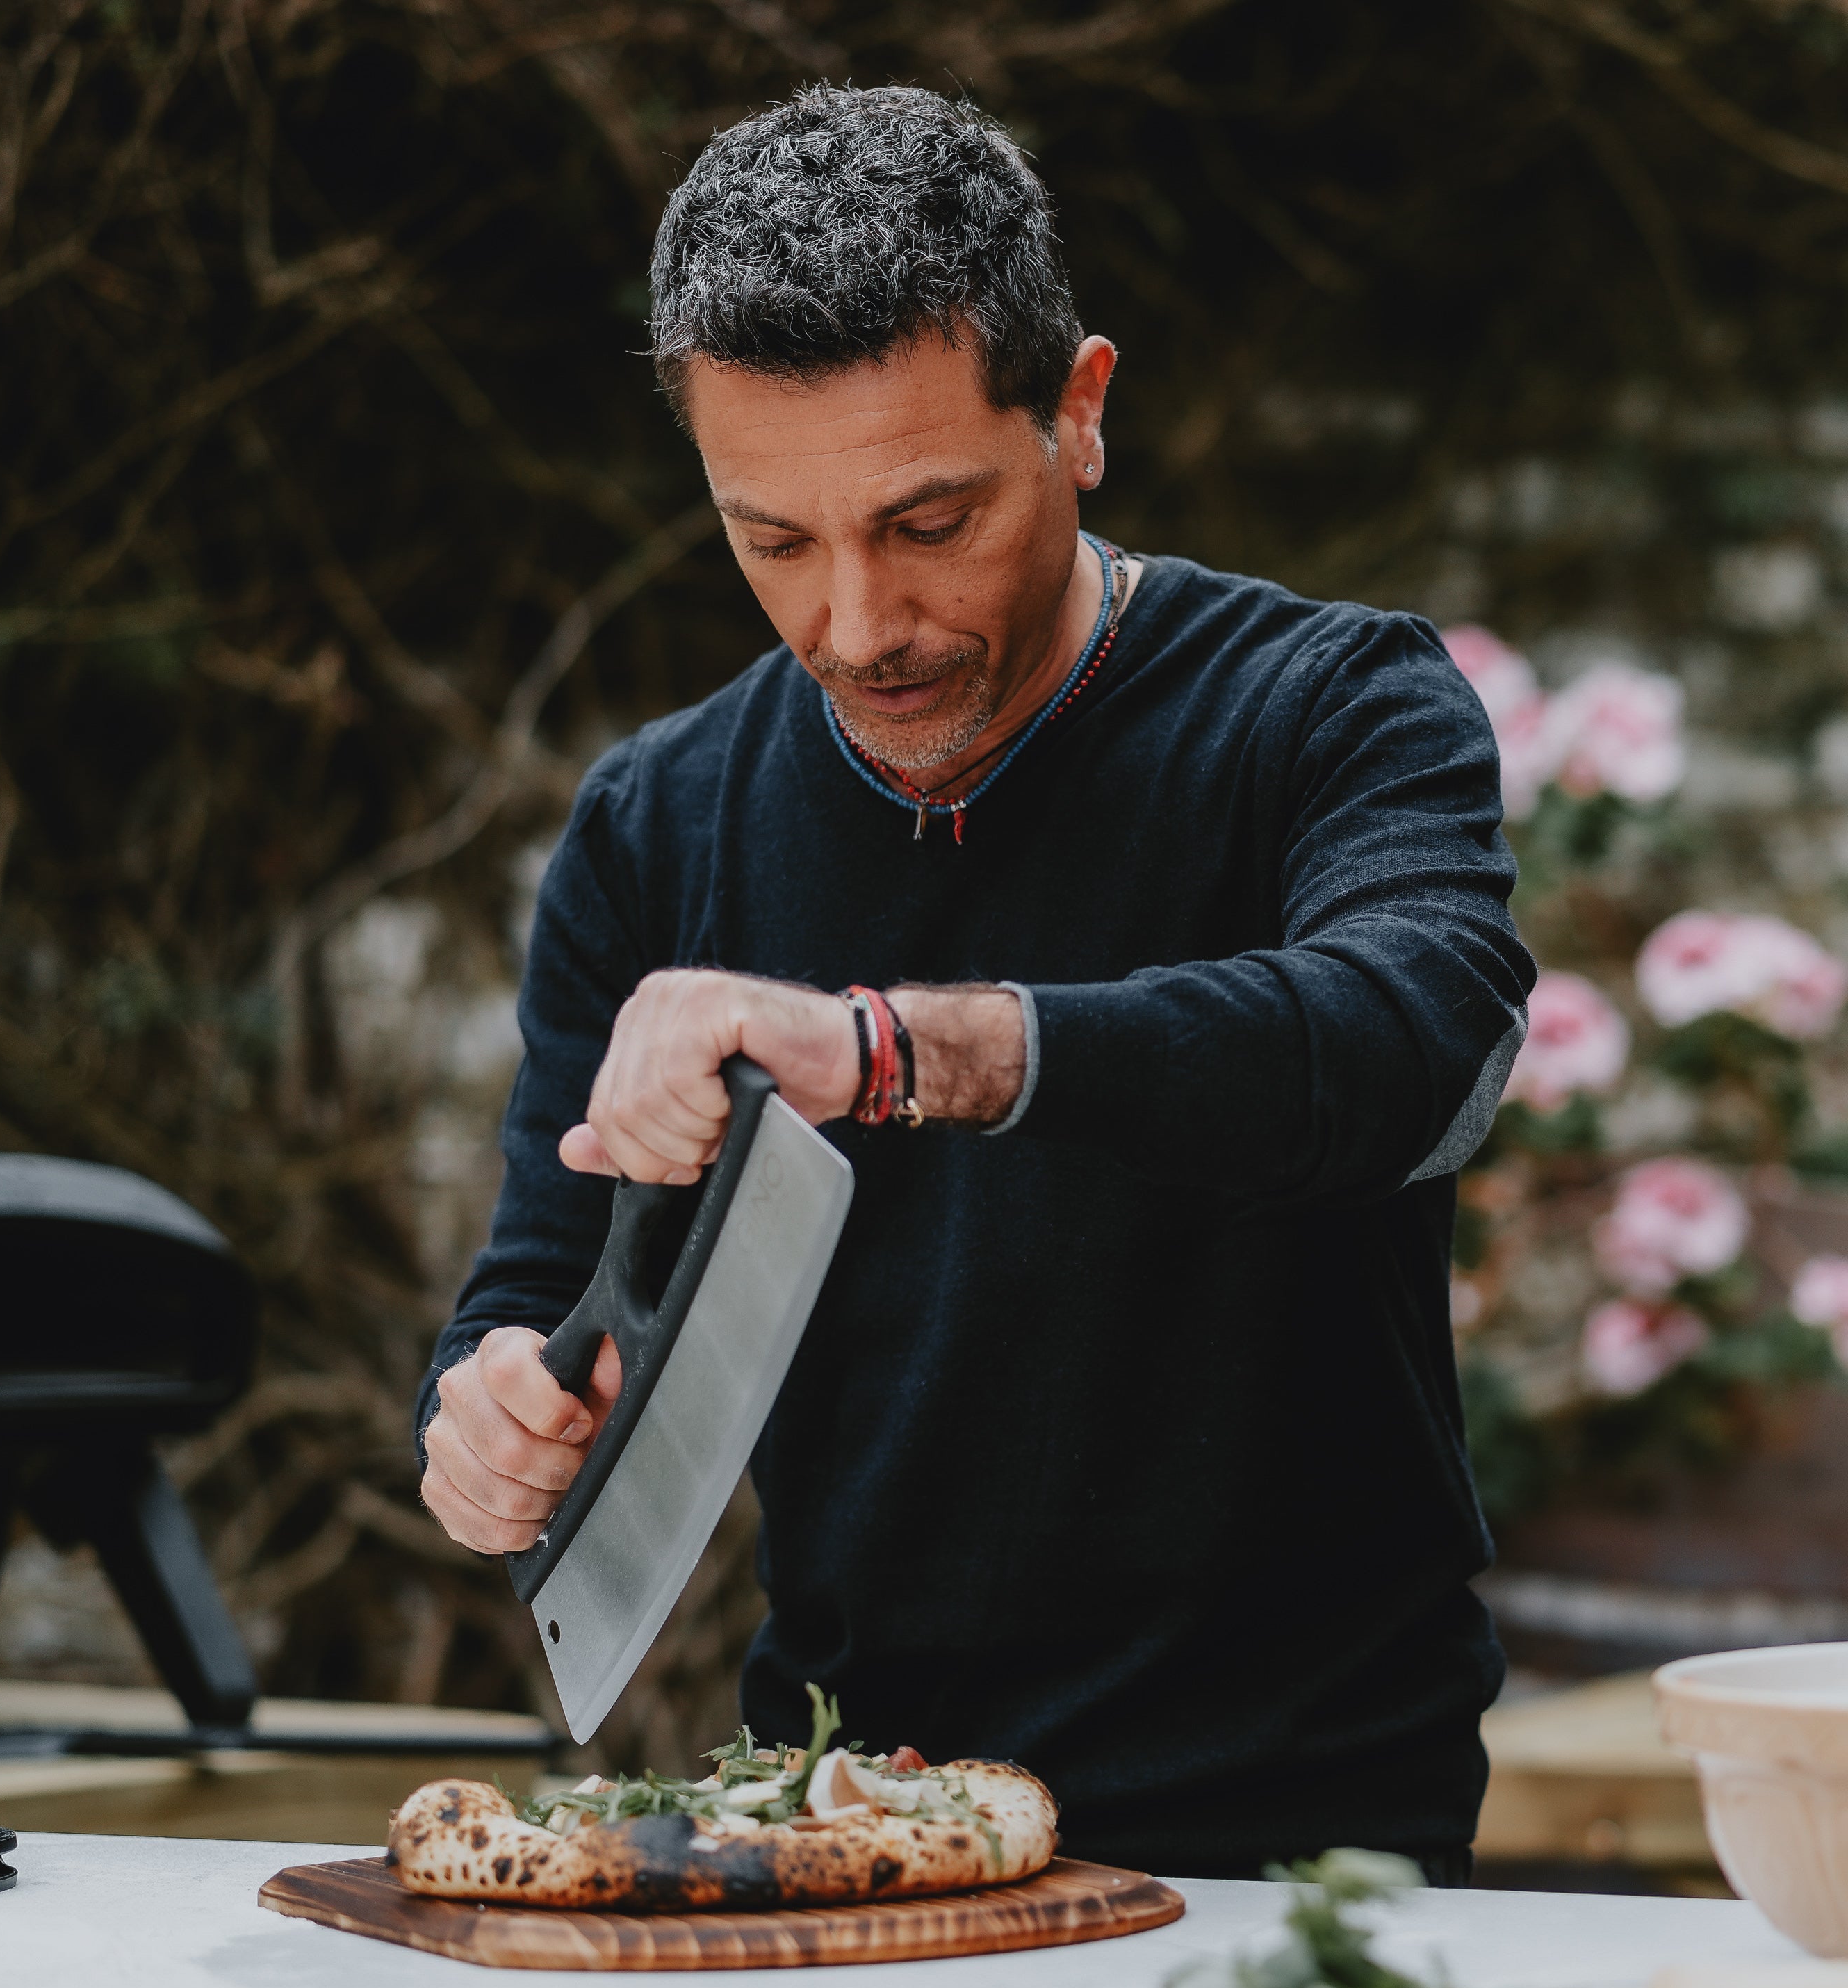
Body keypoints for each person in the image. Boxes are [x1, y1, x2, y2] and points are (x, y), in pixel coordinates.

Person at [414, 83, 1532, 1882]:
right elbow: (548, 1274)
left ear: (1078, 415)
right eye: (773, 538)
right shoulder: (653, 824)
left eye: (927, 522)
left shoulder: (1331, 711)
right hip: (847, 1811)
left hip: (1303, 1823)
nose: (858, 623)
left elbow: (1405, 1046)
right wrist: (488, 1418)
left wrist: (895, 1050)